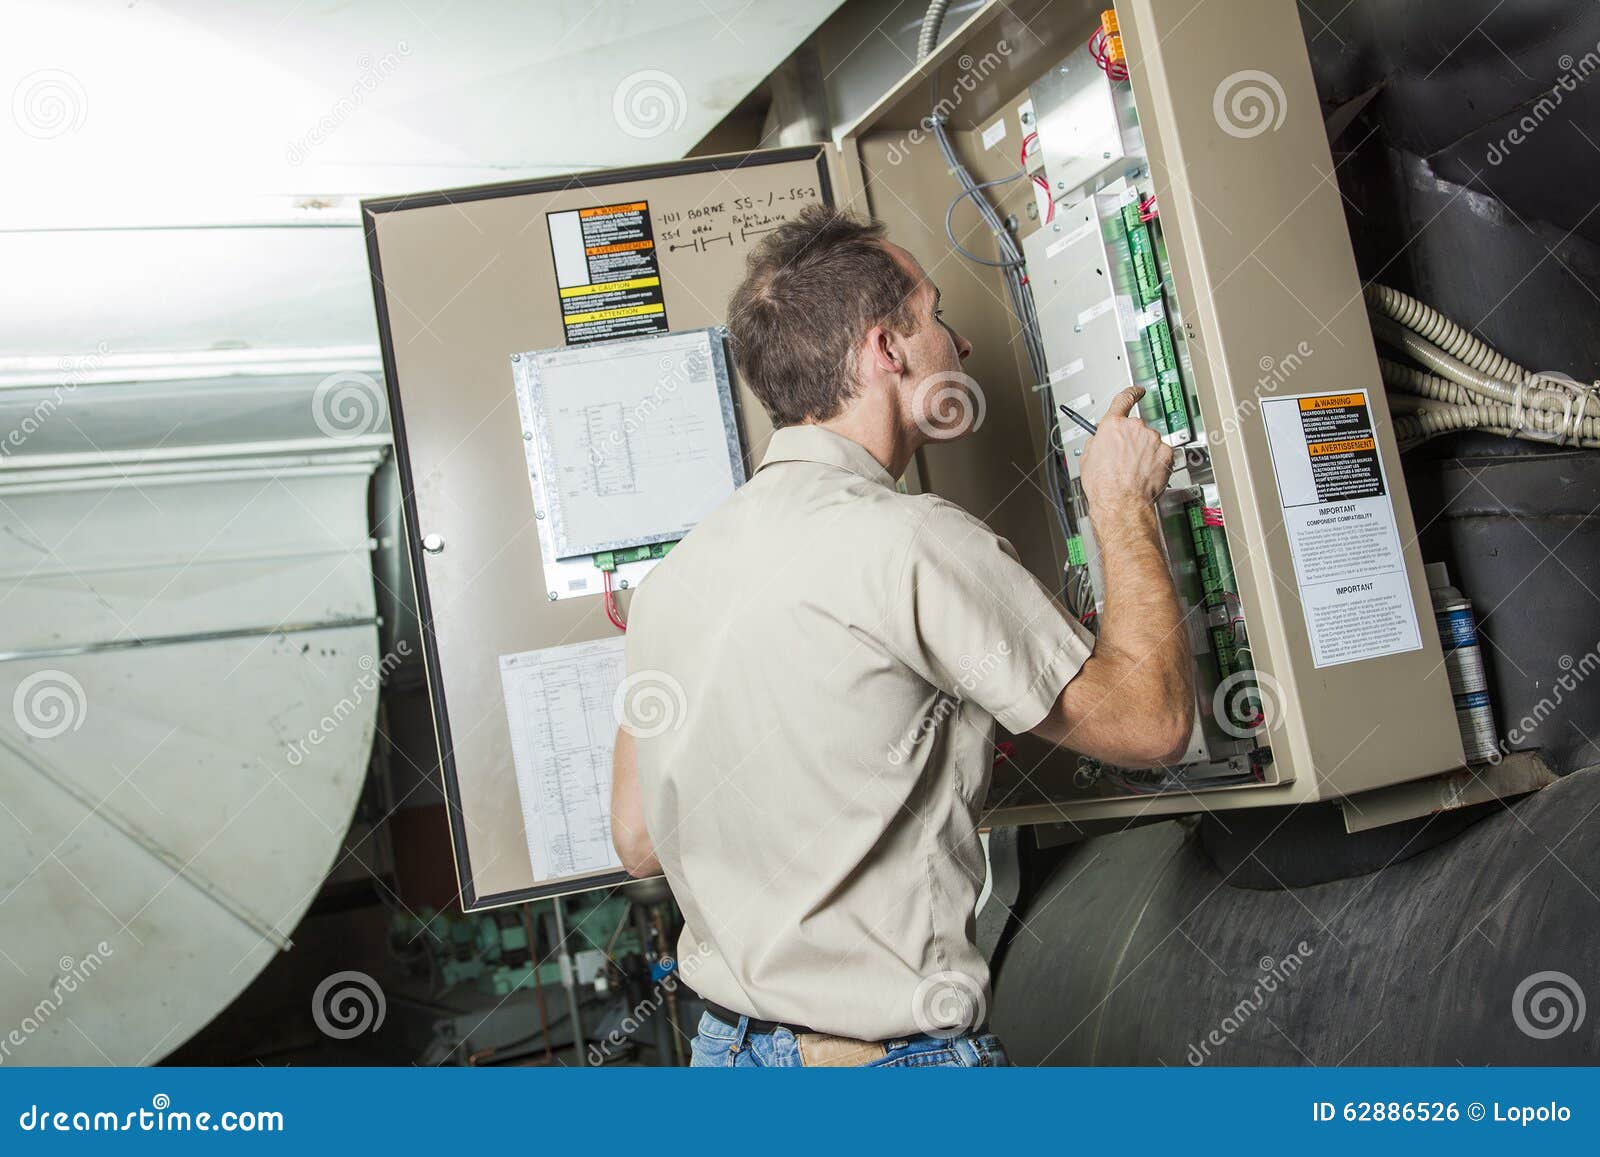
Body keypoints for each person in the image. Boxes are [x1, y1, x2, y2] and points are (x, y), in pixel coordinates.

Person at [609, 205, 1192, 1068]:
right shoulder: (913, 542)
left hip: (727, 1056)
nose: (961, 345)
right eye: (939, 316)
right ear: (887, 350)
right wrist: (1120, 506)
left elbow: (638, 840)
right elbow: (1151, 724)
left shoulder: (672, 580)